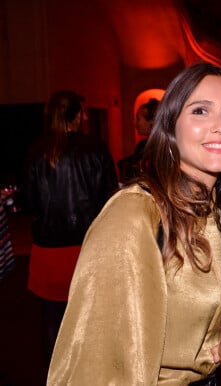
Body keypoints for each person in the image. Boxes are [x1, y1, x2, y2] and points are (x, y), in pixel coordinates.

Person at [47, 62, 221, 385]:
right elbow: (98, 364)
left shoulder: (214, 210)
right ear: (169, 128)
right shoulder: (136, 215)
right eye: (200, 111)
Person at [22, 90, 118, 369]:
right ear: (77, 116)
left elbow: (28, 204)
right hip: (87, 248)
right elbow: (110, 198)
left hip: (47, 251)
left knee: (51, 317)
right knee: (91, 318)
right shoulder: (95, 148)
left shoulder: (35, 152)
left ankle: (56, 376)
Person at [117, 97, 160, 185]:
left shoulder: (161, 147)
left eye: (138, 119)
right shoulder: (143, 145)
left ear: (151, 121)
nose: (135, 123)